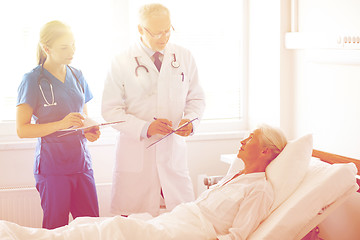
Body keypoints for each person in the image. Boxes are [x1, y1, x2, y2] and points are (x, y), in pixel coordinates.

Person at [0, 124, 287, 240]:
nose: (242, 140)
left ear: (265, 151)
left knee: (114, 228)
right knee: (88, 225)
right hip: (177, 220)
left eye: (250, 139)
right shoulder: (235, 176)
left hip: (189, 232)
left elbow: (237, 236)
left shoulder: (259, 189)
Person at [101, 3, 206, 216]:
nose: (164, 37)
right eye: (157, 32)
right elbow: (110, 110)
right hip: (137, 155)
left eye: (168, 30)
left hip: (172, 154)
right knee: (134, 225)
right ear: (140, 29)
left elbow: (196, 99)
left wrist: (191, 121)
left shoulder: (184, 57)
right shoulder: (121, 61)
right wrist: (145, 127)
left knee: (182, 221)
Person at [16, 20, 101, 229]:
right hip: (53, 167)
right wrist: (60, 124)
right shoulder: (32, 80)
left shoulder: (77, 75)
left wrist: (90, 130)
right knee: (56, 229)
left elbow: (83, 117)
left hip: (81, 164)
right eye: (64, 47)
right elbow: (22, 129)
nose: (71, 50)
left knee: (91, 227)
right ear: (47, 48)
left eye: (73, 44)